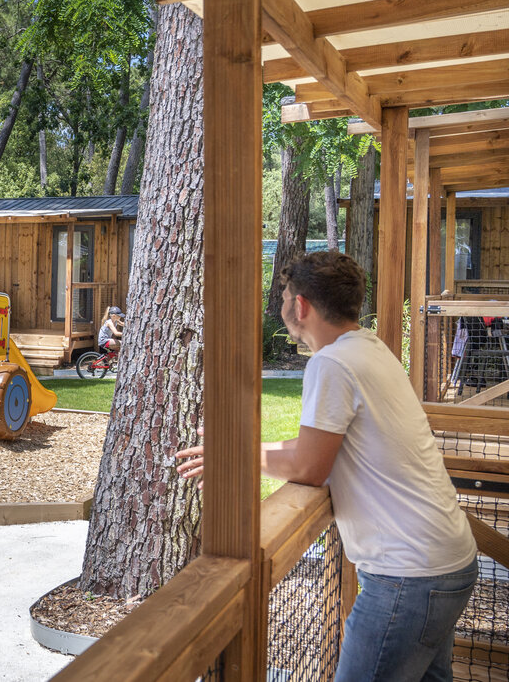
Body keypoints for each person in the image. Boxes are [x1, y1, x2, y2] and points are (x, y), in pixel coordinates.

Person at [176, 252, 477, 682]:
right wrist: (240, 446)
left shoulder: (331, 363)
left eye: (283, 297)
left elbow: (310, 467)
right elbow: (315, 446)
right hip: (446, 562)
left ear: (300, 306)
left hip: (407, 577)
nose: (282, 306)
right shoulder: (369, 349)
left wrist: (231, 459)